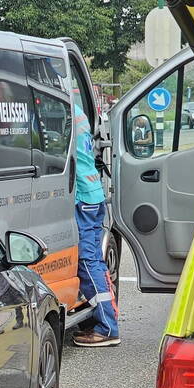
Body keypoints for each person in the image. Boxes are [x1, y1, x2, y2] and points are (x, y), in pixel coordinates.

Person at [72, 91, 120, 347]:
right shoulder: (78, 113)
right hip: (93, 194)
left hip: (81, 196)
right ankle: (107, 320)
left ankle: (107, 328)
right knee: (95, 262)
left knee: (87, 261)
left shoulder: (63, 111)